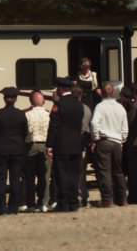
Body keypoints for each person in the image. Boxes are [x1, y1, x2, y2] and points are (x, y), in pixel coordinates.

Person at [47, 78, 86, 212]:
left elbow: (54, 126)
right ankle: (74, 202)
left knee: (61, 175)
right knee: (74, 175)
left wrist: (49, 145)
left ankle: (63, 203)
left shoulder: (58, 104)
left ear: (61, 89)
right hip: (76, 144)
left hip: (61, 145)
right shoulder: (79, 104)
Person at [0, 87, 28, 215]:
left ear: (4, 99)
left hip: (0, 151)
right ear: (16, 99)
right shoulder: (21, 114)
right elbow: (25, 132)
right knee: (15, 180)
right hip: (17, 150)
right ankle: (13, 208)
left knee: (0, 181)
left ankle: (1, 208)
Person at [90, 82, 129, 207]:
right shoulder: (120, 107)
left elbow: (94, 123)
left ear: (101, 92)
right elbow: (125, 128)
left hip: (104, 141)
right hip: (117, 142)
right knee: (118, 171)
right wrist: (122, 140)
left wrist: (95, 138)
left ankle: (108, 200)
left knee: (104, 171)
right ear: (113, 92)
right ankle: (122, 199)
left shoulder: (100, 107)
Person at [24, 91, 52, 212]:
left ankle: (30, 203)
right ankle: (44, 202)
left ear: (30, 101)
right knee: (45, 176)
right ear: (43, 101)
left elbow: (26, 131)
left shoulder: (27, 115)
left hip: (31, 145)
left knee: (29, 177)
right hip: (45, 145)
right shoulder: (48, 114)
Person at [73, 85, 93, 208]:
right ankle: (85, 196)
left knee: (73, 172)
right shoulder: (87, 109)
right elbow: (89, 127)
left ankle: (78, 196)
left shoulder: (71, 108)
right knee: (82, 172)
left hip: (73, 142)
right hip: (83, 143)